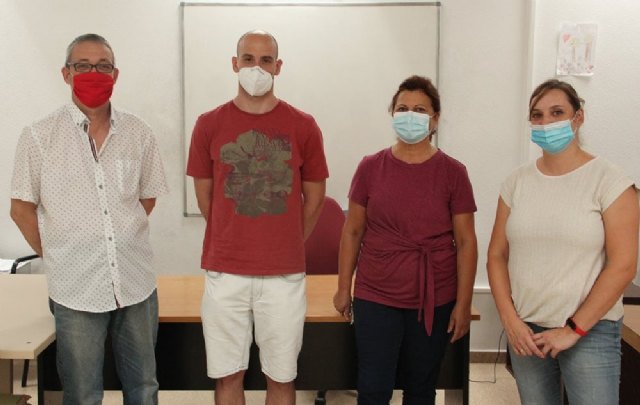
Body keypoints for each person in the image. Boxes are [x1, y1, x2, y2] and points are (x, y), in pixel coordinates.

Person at [10, 33, 168, 405]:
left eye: (103, 66)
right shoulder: (39, 136)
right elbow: (20, 209)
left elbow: (146, 197)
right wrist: (58, 252)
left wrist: (117, 235)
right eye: (83, 66)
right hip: (75, 287)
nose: (93, 74)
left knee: (144, 387)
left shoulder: (139, 133)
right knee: (82, 394)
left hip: (135, 280)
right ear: (66, 73)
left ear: (116, 74)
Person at [186, 30, 328, 405]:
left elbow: (315, 199)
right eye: (248, 59)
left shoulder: (303, 125)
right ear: (235, 64)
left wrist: (286, 242)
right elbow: (205, 197)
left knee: (281, 377)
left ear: (278, 67)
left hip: (284, 275)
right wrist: (233, 237)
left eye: (266, 60)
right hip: (225, 271)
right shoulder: (208, 124)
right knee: (227, 376)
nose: (257, 68)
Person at [487, 79, 639, 404]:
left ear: (578, 117)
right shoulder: (516, 182)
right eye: (537, 115)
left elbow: (623, 265)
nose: (546, 122)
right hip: (527, 329)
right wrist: (510, 320)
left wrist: (573, 330)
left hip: (591, 330)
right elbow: (497, 255)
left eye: (557, 112)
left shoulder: (611, 181)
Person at [333, 75, 478, 405]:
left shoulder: (454, 172)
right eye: (402, 108)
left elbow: (466, 242)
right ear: (392, 113)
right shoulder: (370, 167)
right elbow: (352, 231)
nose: (410, 115)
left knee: (421, 388)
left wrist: (464, 303)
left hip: (435, 296)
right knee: (373, 388)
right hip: (376, 293)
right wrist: (343, 287)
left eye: (420, 110)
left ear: (435, 118)